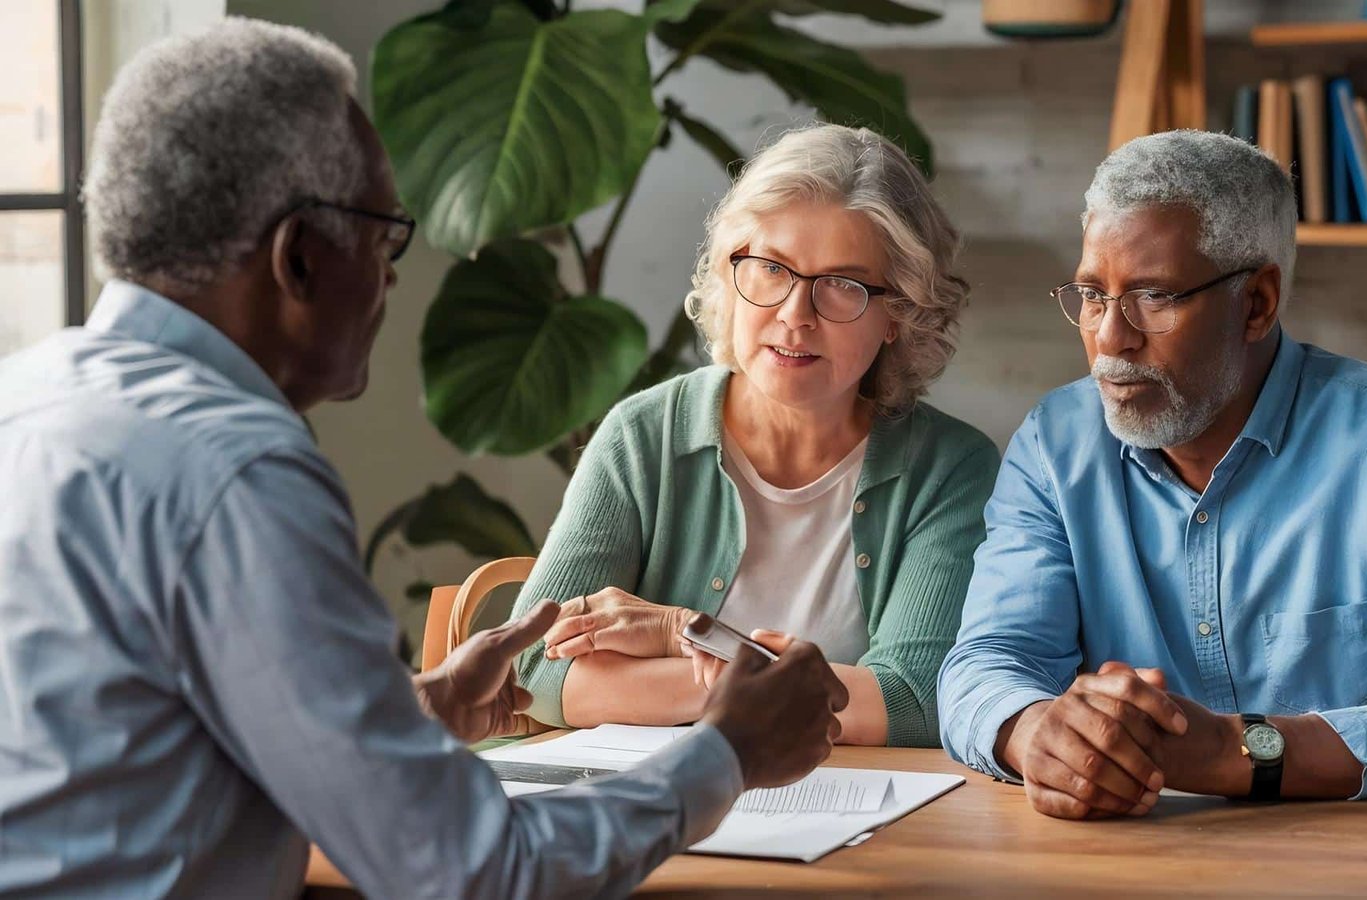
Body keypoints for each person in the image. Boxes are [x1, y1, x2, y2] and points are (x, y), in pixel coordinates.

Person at [0, 18, 847, 898]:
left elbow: (128, 743)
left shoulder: (24, 400)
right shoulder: (237, 473)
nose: (393, 278)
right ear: (298, 257)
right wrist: (726, 754)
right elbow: (473, 871)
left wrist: (413, 712)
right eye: (382, 237)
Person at [938, 130, 1367, 819]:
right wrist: (1035, 734)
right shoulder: (1054, 447)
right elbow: (986, 663)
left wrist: (1235, 752)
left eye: (1152, 296)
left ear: (1258, 303)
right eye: (1092, 295)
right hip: (1135, 865)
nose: (1110, 339)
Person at [510, 124, 999, 748]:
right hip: (665, 811)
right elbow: (537, 670)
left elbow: (914, 700)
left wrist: (686, 636)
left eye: (843, 286)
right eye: (771, 269)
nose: (796, 316)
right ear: (728, 271)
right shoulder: (644, 436)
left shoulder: (952, 468)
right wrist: (776, 684)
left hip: (860, 815)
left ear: (897, 314)